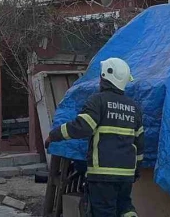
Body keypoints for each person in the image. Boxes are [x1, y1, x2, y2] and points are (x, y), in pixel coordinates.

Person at [46, 58, 143, 217]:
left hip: (103, 175)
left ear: (105, 77)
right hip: (126, 175)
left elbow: (81, 127)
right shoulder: (134, 108)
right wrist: (136, 171)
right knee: (125, 208)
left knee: (104, 212)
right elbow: (139, 145)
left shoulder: (97, 101)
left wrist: (53, 135)